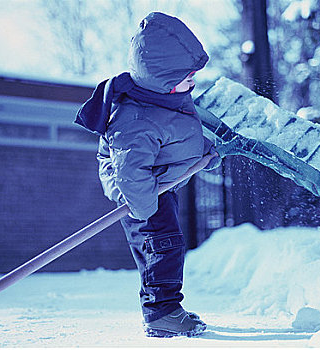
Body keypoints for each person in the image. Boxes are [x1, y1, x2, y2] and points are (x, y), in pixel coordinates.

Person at [75, 11, 219, 338]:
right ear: (161, 75)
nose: (193, 80)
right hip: (140, 194)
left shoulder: (166, 97)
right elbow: (129, 170)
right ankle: (162, 312)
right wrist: (143, 208)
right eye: (187, 75)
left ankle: (162, 308)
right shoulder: (136, 118)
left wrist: (205, 153)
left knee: (159, 246)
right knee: (163, 245)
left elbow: (181, 136)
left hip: (155, 188)